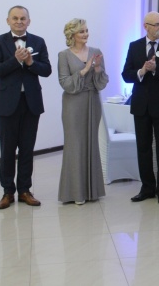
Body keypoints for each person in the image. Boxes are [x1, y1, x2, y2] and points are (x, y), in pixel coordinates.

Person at [0, 6, 52, 209]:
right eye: (15, 18)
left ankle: (25, 190)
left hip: (31, 103)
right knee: (7, 149)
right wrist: (16, 60)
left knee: (27, 149)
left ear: (29, 21)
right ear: (8, 20)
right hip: (6, 104)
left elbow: (47, 70)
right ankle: (8, 192)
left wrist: (31, 62)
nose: (19, 21)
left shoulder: (38, 41)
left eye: (22, 18)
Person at [122, 11, 159, 205]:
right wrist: (142, 71)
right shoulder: (135, 46)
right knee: (143, 148)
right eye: (156, 25)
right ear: (146, 26)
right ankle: (147, 187)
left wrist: (156, 69)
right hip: (141, 105)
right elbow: (126, 74)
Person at [57, 19, 109, 204]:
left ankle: (92, 192)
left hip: (92, 100)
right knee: (75, 144)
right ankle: (75, 193)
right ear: (72, 35)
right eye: (81, 31)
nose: (86, 34)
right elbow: (64, 82)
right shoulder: (64, 55)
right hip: (73, 104)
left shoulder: (96, 51)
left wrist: (97, 68)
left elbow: (102, 82)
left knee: (91, 143)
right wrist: (84, 70)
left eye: (86, 30)